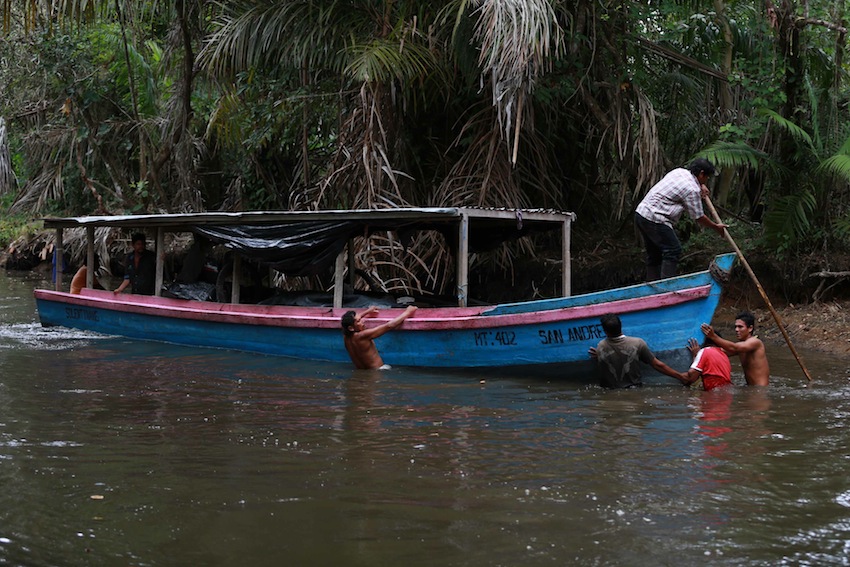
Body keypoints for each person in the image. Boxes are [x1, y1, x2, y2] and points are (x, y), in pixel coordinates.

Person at [635, 158, 728, 281]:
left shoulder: (679, 172)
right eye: (707, 177)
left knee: (654, 254)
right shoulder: (692, 190)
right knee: (673, 249)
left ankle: (652, 286)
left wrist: (701, 185)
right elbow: (699, 217)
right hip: (655, 217)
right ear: (701, 174)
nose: (707, 180)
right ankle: (667, 286)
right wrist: (715, 226)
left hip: (641, 213)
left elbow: (693, 183)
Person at [588, 313, 685, 388]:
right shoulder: (638, 343)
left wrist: (599, 356)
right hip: (634, 389)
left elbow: (607, 362)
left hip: (609, 393)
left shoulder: (600, 347)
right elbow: (657, 365)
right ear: (621, 325)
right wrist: (680, 376)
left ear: (605, 331)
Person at [700, 311, 770, 386]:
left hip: (761, 391)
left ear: (750, 328)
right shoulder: (741, 347)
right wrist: (700, 352)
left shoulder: (755, 342)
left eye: (740, 327)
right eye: (736, 327)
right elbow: (718, 353)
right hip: (751, 388)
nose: (736, 330)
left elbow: (734, 347)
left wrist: (713, 336)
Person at [341, 305, 418, 370]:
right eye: (359, 321)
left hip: (362, 372)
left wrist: (367, 311)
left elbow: (352, 321)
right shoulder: (362, 335)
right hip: (378, 371)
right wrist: (408, 312)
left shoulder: (346, 336)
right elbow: (389, 326)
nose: (363, 322)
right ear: (351, 328)